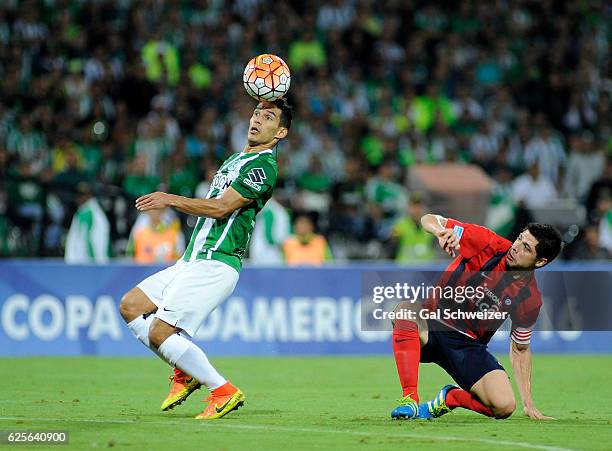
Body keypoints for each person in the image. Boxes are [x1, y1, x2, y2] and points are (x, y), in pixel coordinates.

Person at [118, 98, 293, 419]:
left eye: (268, 117)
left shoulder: (264, 167)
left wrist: (170, 199)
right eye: (255, 113)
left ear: (280, 132)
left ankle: (222, 389)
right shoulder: (235, 159)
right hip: (191, 259)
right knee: (130, 306)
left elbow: (221, 208)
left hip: (217, 262)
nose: (256, 120)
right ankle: (184, 370)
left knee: (160, 332)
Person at [390, 213, 562, 421]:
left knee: (504, 407)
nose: (516, 247)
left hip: (467, 347)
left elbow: (520, 348)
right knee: (405, 310)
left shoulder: (529, 297)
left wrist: (528, 403)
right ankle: (410, 399)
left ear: (540, 261)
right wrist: (440, 232)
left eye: (526, 248)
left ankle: (450, 398)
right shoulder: (487, 243)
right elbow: (428, 219)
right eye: (519, 239)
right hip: (432, 324)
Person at [64, 183, 110, 264]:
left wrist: (98, 265)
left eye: (82, 195)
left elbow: (97, 241)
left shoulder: (93, 213)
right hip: (79, 264)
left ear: (90, 195)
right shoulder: (82, 212)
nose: (78, 198)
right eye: (78, 195)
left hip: (87, 264)